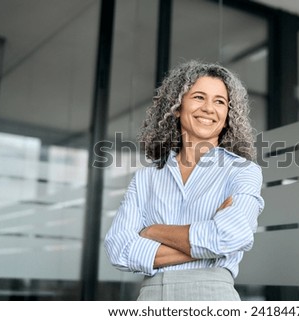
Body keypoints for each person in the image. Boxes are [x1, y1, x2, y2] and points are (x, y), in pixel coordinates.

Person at [104, 60, 264, 301]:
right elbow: (119, 250)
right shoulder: (146, 178)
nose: (210, 108)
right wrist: (210, 246)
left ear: (228, 114)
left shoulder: (242, 170)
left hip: (212, 297)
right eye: (199, 97)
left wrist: (153, 231)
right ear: (177, 107)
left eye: (220, 101)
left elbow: (231, 236)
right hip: (150, 299)